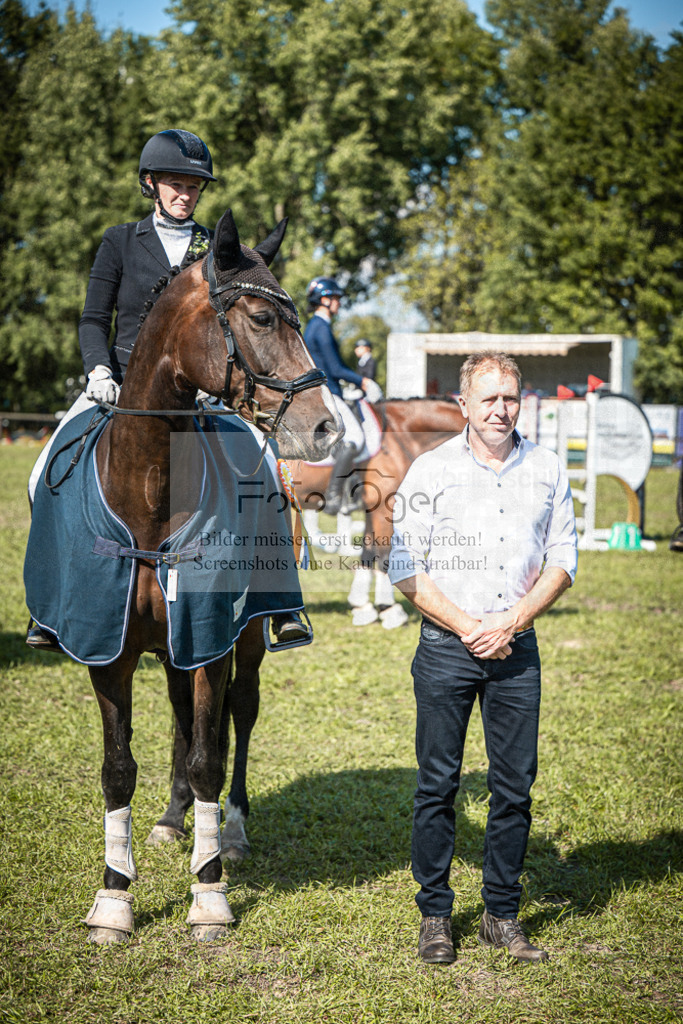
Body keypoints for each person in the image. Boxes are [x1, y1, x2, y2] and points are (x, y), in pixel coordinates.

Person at [27, 128, 306, 648]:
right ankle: (48, 605)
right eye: (176, 185)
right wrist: (98, 371)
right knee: (44, 470)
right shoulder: (119, 241)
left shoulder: (216, 252)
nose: (186, 195)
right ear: (151, 184)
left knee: (266, 470)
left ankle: (280, 603)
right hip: (121, 384)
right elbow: (94, 318)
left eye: (194, 188)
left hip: (199, 391)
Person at [387, 351, 578, 966]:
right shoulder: (429, 470)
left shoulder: (547, 468)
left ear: (521, 402)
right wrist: (473, 628)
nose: (501, 409)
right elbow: (403, 567)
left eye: (510, 398)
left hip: (517, 652)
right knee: (437, 785)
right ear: (463, 404)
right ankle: (436, 916)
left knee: (514, 788)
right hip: (447, 650)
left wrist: (512, 623)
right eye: (488, 398)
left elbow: (564, 560)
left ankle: (501, 915)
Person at [303, 278, 382, 514]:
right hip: (328, 392)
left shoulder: (315, 326)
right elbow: (335, 369)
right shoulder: (320, 327)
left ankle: (350, 487)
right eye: (335, 298)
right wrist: (364, 381)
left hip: (329, 389)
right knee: (356, 438)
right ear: (324, 300)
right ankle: (335, 495)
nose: (338, 303)